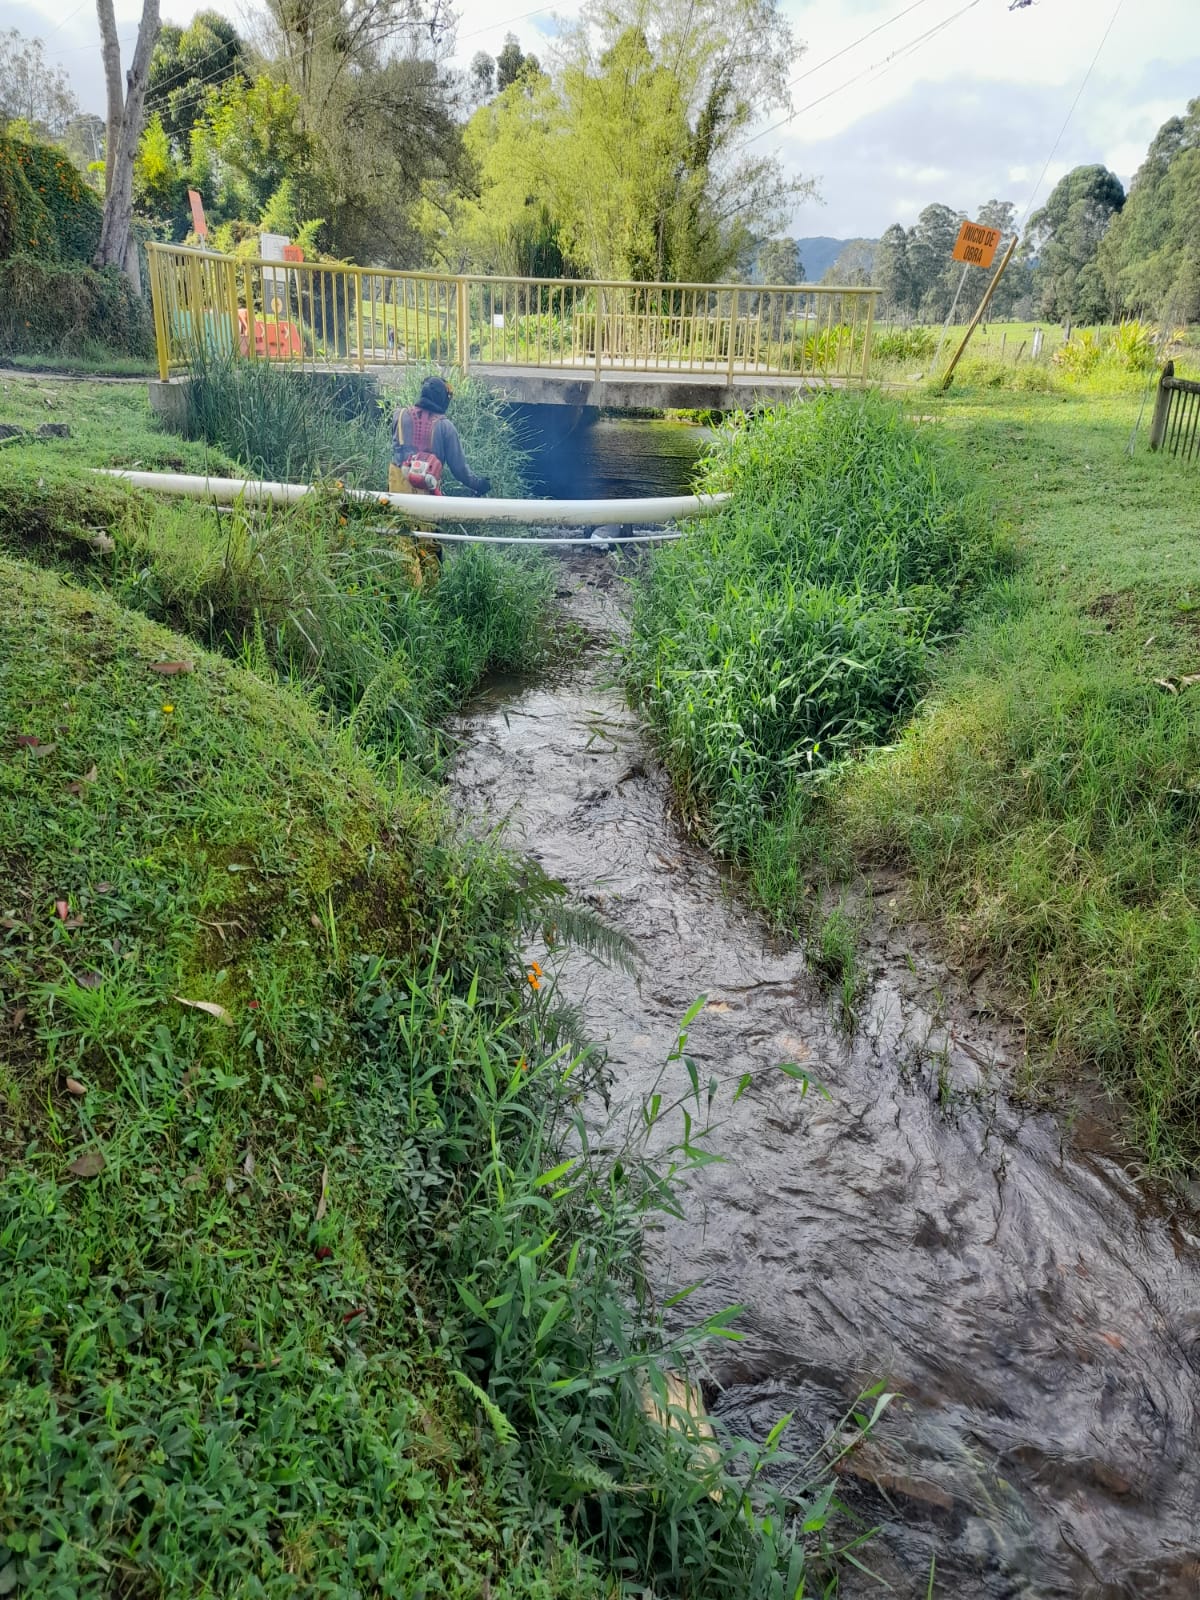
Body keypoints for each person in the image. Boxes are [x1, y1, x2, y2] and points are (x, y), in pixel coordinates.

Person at [389, 376, 492, 498]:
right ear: (443, 398)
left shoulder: (398, 415)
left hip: (397, 494)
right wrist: (479, 484)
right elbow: (459, 469)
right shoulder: (446, 427)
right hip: (427, 496)